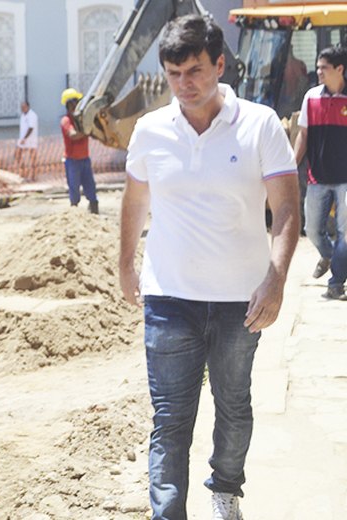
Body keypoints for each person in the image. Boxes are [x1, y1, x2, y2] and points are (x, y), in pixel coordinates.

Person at [119, 15, 299, 520]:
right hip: (169, 297)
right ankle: (168, 513)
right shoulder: (150, 131)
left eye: (195, 71)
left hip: (240, 301)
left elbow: (286, 206)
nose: (185, 85)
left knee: (234, 406)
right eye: (174, 74)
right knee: (170, 419)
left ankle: (225, 488)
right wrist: (125, 264)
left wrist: (276, 279)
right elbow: (134, 202)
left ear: (221, 64)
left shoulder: (260, 123)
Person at [293, 44, 347, 300]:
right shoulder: (310, 97)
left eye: (323, 68)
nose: (318, 72)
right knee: (312, 229)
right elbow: (303, 135)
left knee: (345, 233)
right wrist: (292, 165)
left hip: (345, 180)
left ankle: (336, 282)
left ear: (340, 69)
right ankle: (329, 256)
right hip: (317, 177)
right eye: (317, 67)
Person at [60, 88, 99, 214]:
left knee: (90, 188)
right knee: (74, 189)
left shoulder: (80, 119)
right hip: (73, 161)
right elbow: (73, 135)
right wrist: (86, 132)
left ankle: (94, 211)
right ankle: (74, 214)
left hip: (84, 159)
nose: (78, 104)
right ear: (70, 104)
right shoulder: (66, 121)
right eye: (76, 102)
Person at [14, 101, 38, 177]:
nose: (22, 109)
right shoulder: (23, 116)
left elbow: (31, 128)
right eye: (21, 107)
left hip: (31, 140)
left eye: (24, 107)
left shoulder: (32, 115)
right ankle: (23, 171)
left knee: (32, 158)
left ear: (28, 107)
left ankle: (33, 175)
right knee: (17, 154)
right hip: (22, 140)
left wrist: (25, 138)